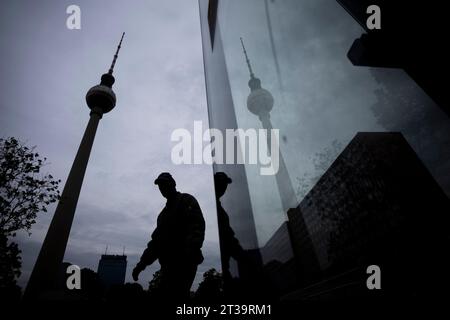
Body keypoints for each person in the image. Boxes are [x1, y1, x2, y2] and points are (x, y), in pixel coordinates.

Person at [132, 172, 205, 301]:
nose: (162, 188)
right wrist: (141, 265)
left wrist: (189, 253)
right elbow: (155, 244)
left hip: (185, 264)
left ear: (173, 184)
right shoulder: (162, 216)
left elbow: (197, 226)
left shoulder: (186, 200)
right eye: (160, 186)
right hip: (168, 267)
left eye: (165, 184)